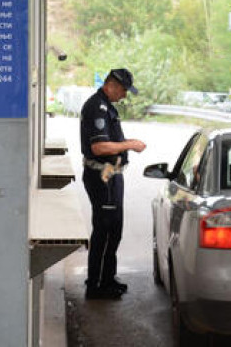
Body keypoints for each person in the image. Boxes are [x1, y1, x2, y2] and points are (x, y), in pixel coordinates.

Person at [80, 68, 146, 300]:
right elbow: (99, 148)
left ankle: (107, 277)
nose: (125, 96)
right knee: (105, 230)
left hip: (111, 175)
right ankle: (96, 285)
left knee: (114, 229)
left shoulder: (107, 107)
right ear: (112, 85)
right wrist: (130, 144)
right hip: (102, 177)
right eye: (124, 90)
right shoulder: (96, 107)